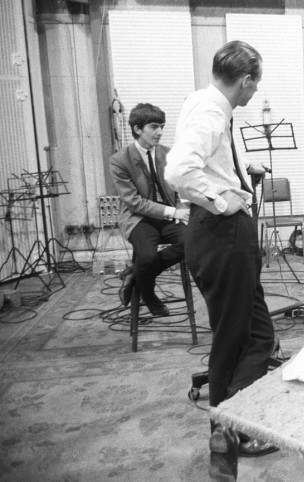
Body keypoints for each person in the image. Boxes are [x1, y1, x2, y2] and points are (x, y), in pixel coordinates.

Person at [164, 40, 276, 475]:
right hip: (222, 233)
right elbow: (178, 170)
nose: (253, 93)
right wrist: (221, 200)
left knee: (258, 335)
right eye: (255, 84)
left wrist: (239, 177)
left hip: (221, 235)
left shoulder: (204, 101)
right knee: (233, 339)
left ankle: (233, 424)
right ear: (245, 80)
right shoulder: (212, 111)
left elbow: (208, 160)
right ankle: (225, 433)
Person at [109, 103, 189, 316]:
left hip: (169, 215)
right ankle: (149, 295)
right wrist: (173, 212)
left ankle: (135, 274)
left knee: (193, 241)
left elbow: (177, 190)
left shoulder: (168, 153)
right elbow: (133, 202)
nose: (160, 132)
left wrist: (180, 208)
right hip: (138, 218)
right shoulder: (120, 160)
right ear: (137, 129)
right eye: (154, 127)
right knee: (148, 257)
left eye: (161, 126)